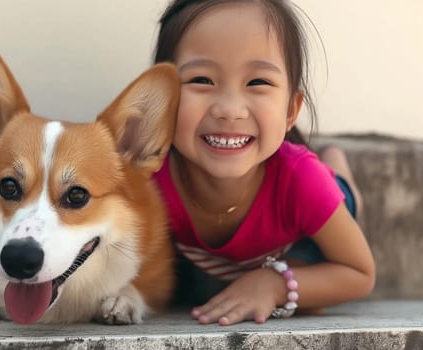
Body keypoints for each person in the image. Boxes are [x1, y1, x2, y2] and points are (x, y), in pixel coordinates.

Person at [151, 0, 375, 326]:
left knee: (341, 202)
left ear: (290, 111)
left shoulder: (301, 180)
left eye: (258, 82)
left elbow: (359, 273)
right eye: (201, 80)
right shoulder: (149, 179)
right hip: (247, 248)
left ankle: (337, 167)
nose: (229, 109)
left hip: (304, 224)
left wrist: (272, 285)